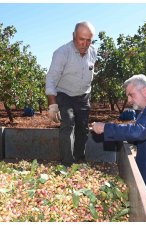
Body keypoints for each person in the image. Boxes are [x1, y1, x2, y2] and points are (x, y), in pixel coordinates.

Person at [92, 74, 146, 222]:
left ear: (145, 90)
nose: (129, 101)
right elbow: (144, 134)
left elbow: (138, 131)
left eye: (131, 95)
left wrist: (106, 128)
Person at [45, 21, 97, 166]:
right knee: (67, 123)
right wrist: (52, 104)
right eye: (81, 39)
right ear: (74, 36)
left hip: (83, 96)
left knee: (83, 128)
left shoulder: (93, 51)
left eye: (89, 40)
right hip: (65, 94)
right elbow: (51, 78)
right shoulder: (62, 53)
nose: (85, 44)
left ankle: (80, 159)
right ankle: (67, 164)